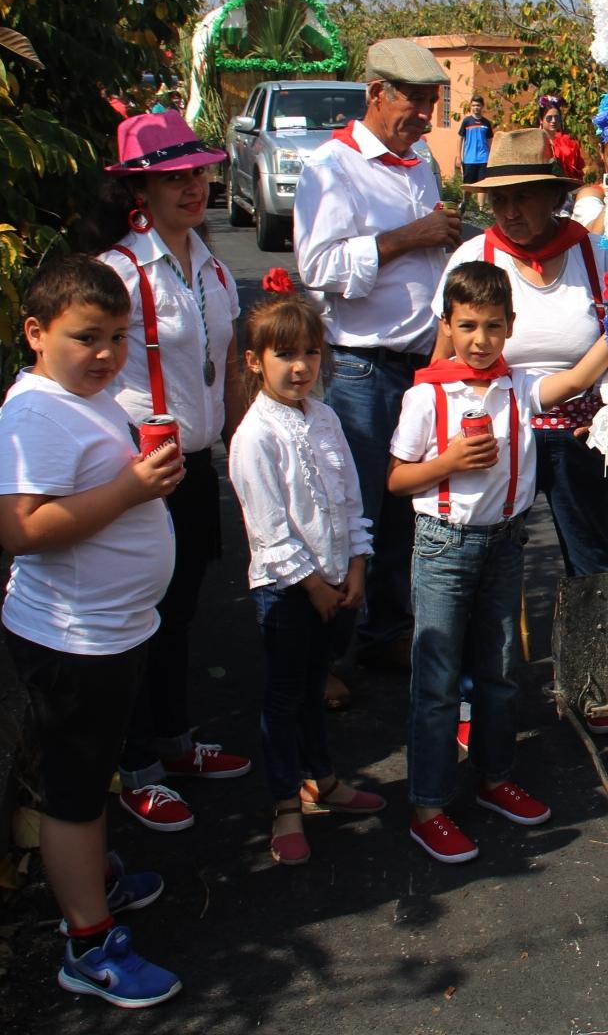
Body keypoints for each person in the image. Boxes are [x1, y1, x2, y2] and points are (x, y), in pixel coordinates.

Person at [0, 256, 184, 1008]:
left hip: (111, 630)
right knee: (73, 792)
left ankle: (94, 880)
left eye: (118, 337)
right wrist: (131, 489)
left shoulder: (82, 398)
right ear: (36, 334)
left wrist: (141, 484)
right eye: (86, 337)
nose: (106, 353)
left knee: (93, 770)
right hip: (72, 639)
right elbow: (22, 528)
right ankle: (88, 944)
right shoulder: (32, 417)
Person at [388, 262, 608, 862]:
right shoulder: (427, 395)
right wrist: (449, 462)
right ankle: (428, 807)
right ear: (447, 326)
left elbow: (575, 380)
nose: (480, 340)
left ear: (511, 326)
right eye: (467, 326)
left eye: (492, 326)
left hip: (504, 544)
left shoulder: (518, 385)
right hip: (444, 545)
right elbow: (396, 479)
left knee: (500, 671)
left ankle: (494, 778)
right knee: (437, 682)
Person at [97, 111, 252, 835]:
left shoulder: (211, 267)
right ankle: (137, 768)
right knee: (140, 619)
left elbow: (225, 365)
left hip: (193, 466)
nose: (193, 187)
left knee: (180, 612)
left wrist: (241, 449)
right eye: (173, 178)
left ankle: (174, 741)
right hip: (138, 472)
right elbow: (83, 370)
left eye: (198, 173)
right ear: (140, 189)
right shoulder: (119, 273)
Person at [293, 38, 462, 677]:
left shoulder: (419, 165)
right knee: (350, 510)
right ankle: (328, 656)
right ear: (375, 94)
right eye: (413, 101)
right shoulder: (331, 167)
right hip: (362, 368)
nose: (424, 116)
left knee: (400, 511)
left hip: (419, 365)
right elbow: (319, 268)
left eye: (431, 103)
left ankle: (384, 631)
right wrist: (410, 237)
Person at [227, 291, 388, 866]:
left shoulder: (325, 418)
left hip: (334, 582)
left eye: (311, 353)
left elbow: (349, 499)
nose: (300, 367)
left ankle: (323, 778)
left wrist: (357, 564)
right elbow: (269, 526)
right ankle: (285, 803)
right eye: (285, 355)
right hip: (288, 590)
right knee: (284, 696)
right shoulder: (255, 436)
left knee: (315, 683)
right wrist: (313, 585)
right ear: (255, 362)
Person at [433, 129, 608, 580]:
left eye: (523, 198)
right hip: (497, 435)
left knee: (591, 562)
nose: (509, 212)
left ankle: (587, 628)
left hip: (580, 436)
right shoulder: (474, 257)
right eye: (499, 200)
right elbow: (442, 363)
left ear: (553, 196)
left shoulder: (594, 255)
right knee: (489, 556)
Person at [537, 95, 584, 181]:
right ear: (541, 120)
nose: (553, 121)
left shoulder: (569, 143)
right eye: (549, 118)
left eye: (556, 117)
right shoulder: (534, 142)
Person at [457, 95, 493, 188]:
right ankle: (466, 198)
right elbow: (460, 138)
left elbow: (490, 141)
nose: (475, 107)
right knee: (468, 187)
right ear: (470, 106)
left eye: (478, 105)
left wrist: (491, 157)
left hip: (483, 159)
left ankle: (481, 199)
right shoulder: (466, 121)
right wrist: (459, 157)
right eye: (473, 105)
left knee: (482, 187)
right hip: (469, 159)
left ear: (482, 106)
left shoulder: (486, 123)